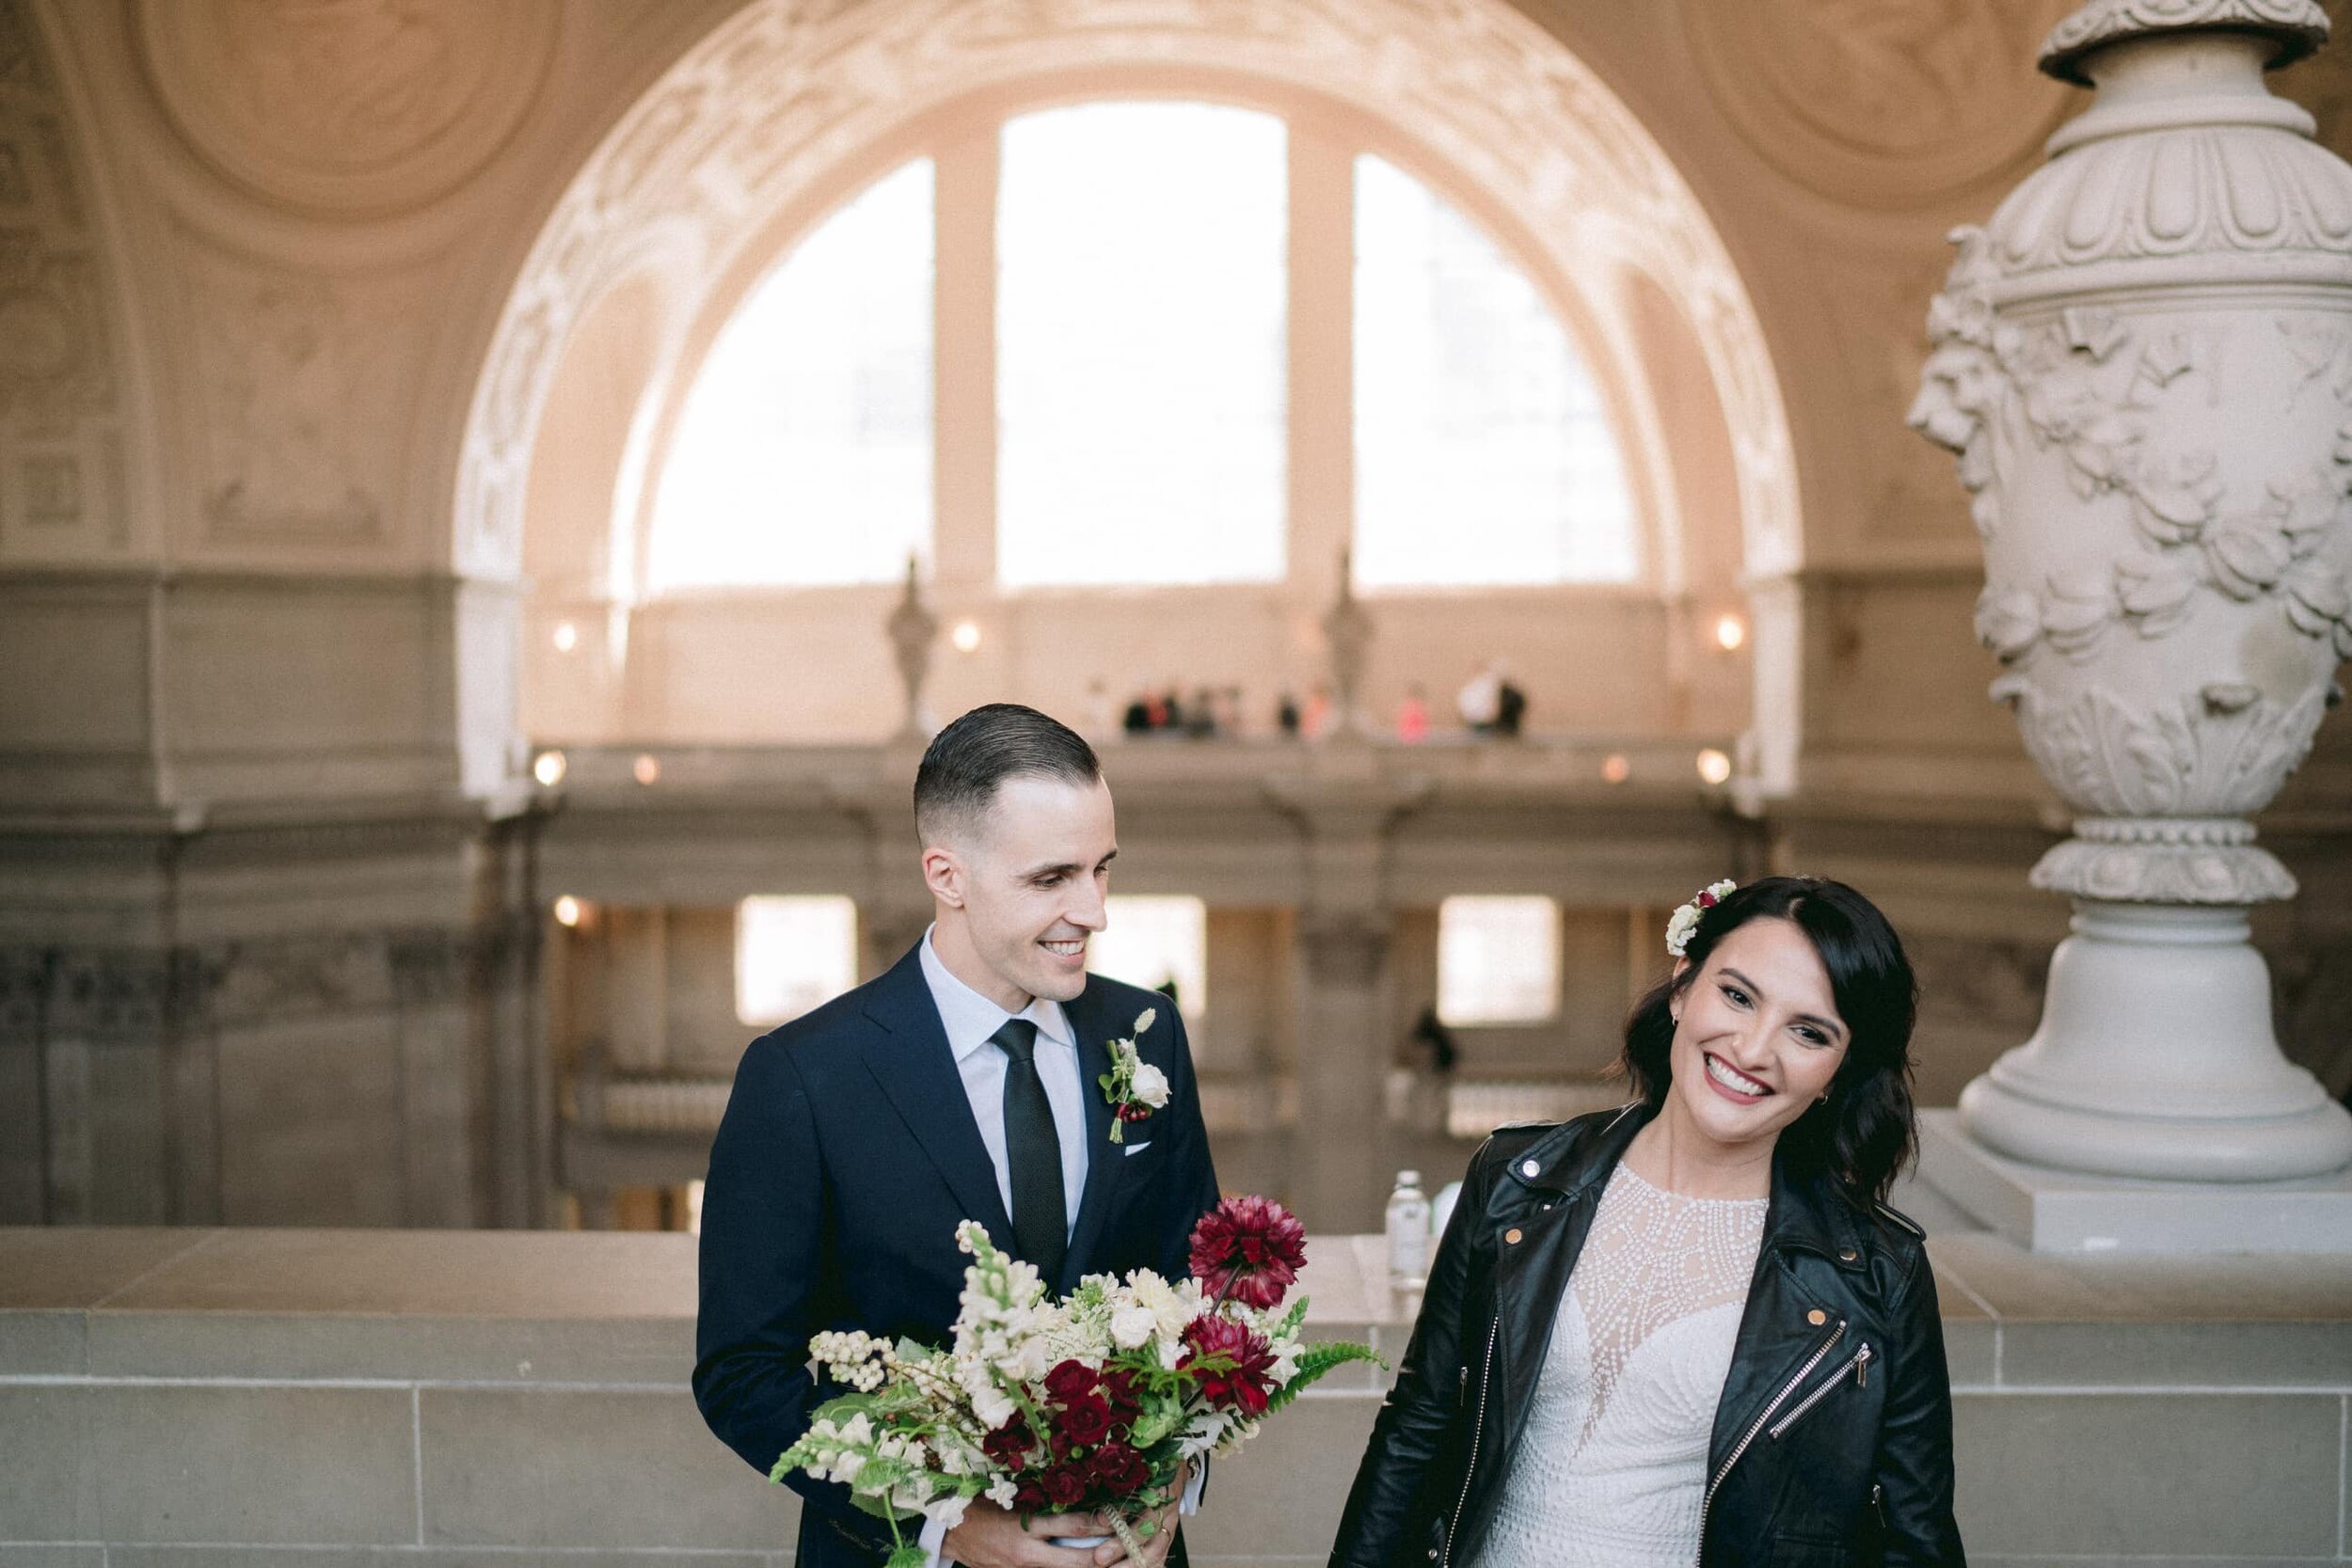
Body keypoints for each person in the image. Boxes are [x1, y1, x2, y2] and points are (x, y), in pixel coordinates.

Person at [696, 705, 1222, 1568]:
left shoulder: (1148, 1031)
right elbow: (743, 1373)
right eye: (1053, 878)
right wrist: (947, 1524)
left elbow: (1196, 1289)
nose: (1092, 911)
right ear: (948, 875)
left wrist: (1176, 1477)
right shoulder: (803, 1078)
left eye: (1102, 870)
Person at [1328, 876, 1962, 1568]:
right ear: (1684, 985)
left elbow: (1914, 1531)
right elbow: (1418, 1426)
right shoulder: (1515, 1180)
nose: (1752, 1049)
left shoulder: (1876, 1274)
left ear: (1836, 1073)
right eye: (1737, 995)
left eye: (1808, 1031)